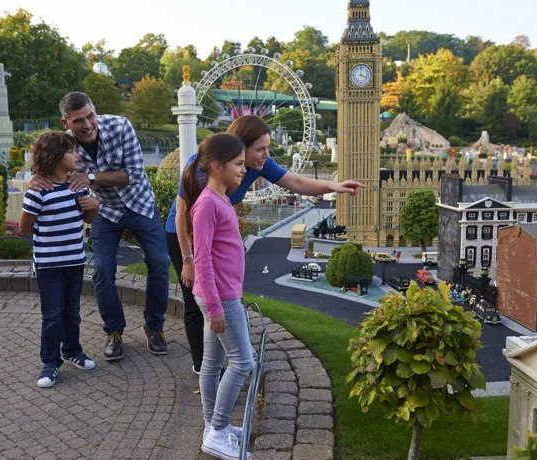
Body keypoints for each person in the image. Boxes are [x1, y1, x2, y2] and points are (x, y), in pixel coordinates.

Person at [166, 115, 364, 374]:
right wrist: (188, 259)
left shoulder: (258, 164)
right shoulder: (205, 165)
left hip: (212, 235)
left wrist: (333, 186)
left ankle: (214, 364)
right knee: (195, 299)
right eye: (260, 149)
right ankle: (202, 366)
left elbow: (295, 182)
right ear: (241, 147)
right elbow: (182, 215)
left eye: (267, 148)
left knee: (219, 295)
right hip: (184, 236)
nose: (265, 155)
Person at [28, 92, 169, 360]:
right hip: (105, 210)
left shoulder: (120, 126)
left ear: (96, 111)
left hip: (139, 203)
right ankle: (114, 331)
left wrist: (90, 177)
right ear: (65, 123)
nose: (87, 124)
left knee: (160, 263)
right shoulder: (64, 143)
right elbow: (41, 165)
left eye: (90, 116)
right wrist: (33, 181)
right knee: (103, 271)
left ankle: (154, 327)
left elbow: (134, 175)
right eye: (78, 120)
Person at [182, 133, 253, 460]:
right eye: (238, 164)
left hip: (220, 295)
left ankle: (214, 427)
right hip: (220, 297)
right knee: (243, 361)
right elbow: (204, 258)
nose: (243, 170)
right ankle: (220, 430)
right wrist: (214, 308)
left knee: (212, 364)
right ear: (216, 166)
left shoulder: (221, 198)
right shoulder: (208, 204)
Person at [20, 131, 100, 388]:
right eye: (70, 152)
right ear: (55, 157)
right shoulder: (38, 192)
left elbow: (88, 219)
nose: (77, 156)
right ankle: (50, 362)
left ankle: (72, 350)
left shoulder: (78, 187)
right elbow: (25, 227)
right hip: (49, 265)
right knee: (53, 315)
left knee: (72, 312)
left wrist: (95, 206)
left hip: (75, 261)